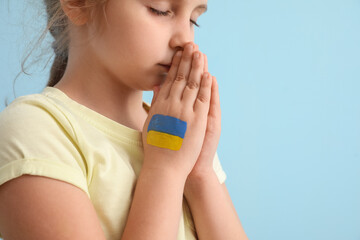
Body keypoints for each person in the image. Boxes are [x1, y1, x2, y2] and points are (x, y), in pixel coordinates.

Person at [0, 0, 248, 239]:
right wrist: (165, 170)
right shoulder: (36, 131)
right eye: (159, 10)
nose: (185, 39)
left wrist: (201, 173)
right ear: (78, 3)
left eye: (194, 20)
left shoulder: (180, 132)